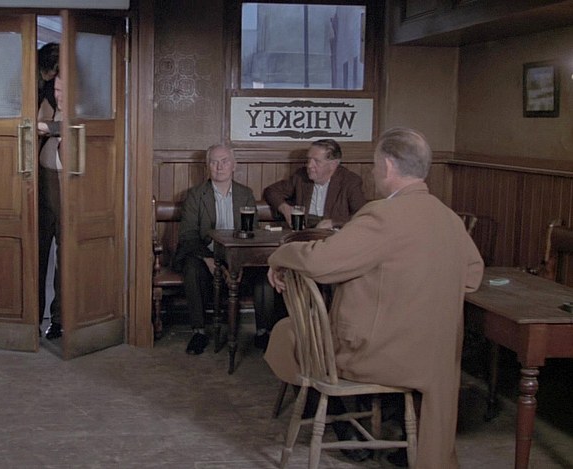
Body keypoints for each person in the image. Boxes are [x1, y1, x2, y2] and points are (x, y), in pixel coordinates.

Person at [264, 128, 484, 468]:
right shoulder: (448, 218)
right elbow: (472, 276)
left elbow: (319, 262)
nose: (372, 171)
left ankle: (341, 425)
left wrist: (280, 255)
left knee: (288, 333)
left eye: (375, 164)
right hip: (434, 358)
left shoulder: (383, 215)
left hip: (383, 355)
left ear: (389, 166)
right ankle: (383, 430)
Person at [173, 144, 283, 355]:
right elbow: (188, 236)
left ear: (234, 165)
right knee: (191, 267)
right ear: (207, 166)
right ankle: (199, 332)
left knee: (263, 271)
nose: (219, 167)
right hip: (206, 256)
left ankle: (263, 332)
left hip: (239, 256)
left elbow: (252, 233)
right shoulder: (195, 195)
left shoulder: (245, 194)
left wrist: (240, 263)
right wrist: (208, 260)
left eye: (224, 161)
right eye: (214, 162)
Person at [263, 139, 366, 230]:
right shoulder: (301, 176)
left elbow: (363, 216)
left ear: (333, 165)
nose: (309, 165)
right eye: (308, 160)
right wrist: (284, 208)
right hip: (302, 235)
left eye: (316, 161)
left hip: (333, 237)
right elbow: (271, 191)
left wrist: (334, 222)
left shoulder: (350, 181)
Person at [37, 74, 63, 339]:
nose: (59, 95)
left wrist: (48, 127)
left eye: (64, 90)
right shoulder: (50, 105)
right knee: (39, 253)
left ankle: (60, 320)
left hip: (69, 190)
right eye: (56, 89)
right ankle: (32, 319)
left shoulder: (84, 110)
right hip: (44, 186)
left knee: (65, 260)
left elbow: (72, 126)